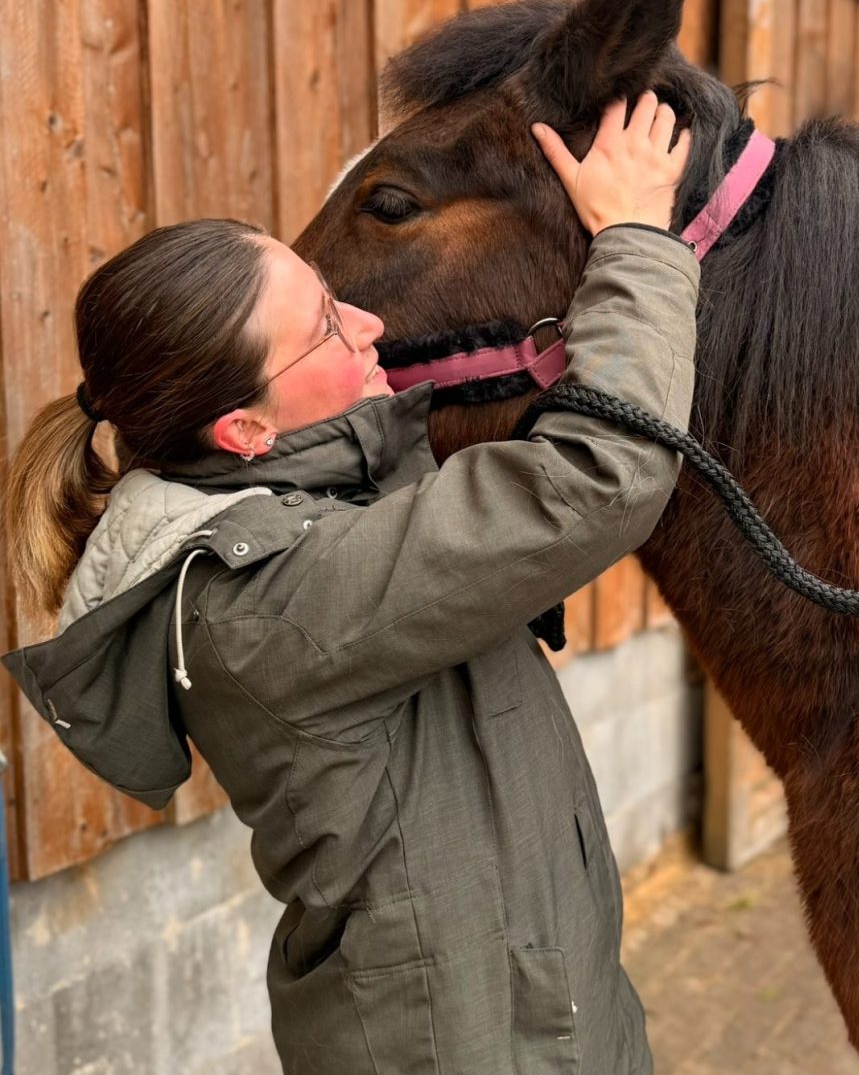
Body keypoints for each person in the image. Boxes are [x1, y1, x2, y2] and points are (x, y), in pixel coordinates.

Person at [3, 92, 696, 1074]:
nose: (369, 324)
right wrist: (633, 242)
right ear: (244, 431)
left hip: (538, 1022)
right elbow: (593, 482)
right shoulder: (270, 602)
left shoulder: (326, 504)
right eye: (326, 325)